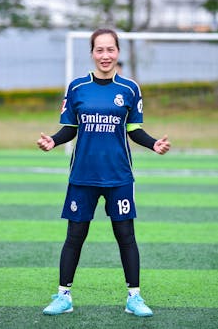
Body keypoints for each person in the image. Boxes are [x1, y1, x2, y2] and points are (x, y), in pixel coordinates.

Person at [37, 28, 170, 317]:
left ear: (118, 52)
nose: (105, 55)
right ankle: (63, 296)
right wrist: (53, 140)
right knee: (75, 236)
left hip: (119, 176)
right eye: (100, 50)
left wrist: (154, 143)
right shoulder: (76, 88)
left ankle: (134, 298)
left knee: (126, 236)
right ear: (92, 53)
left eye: (110, 49)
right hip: (83, 176)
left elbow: (134, 130)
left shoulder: (130, 89)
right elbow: (70, 128)